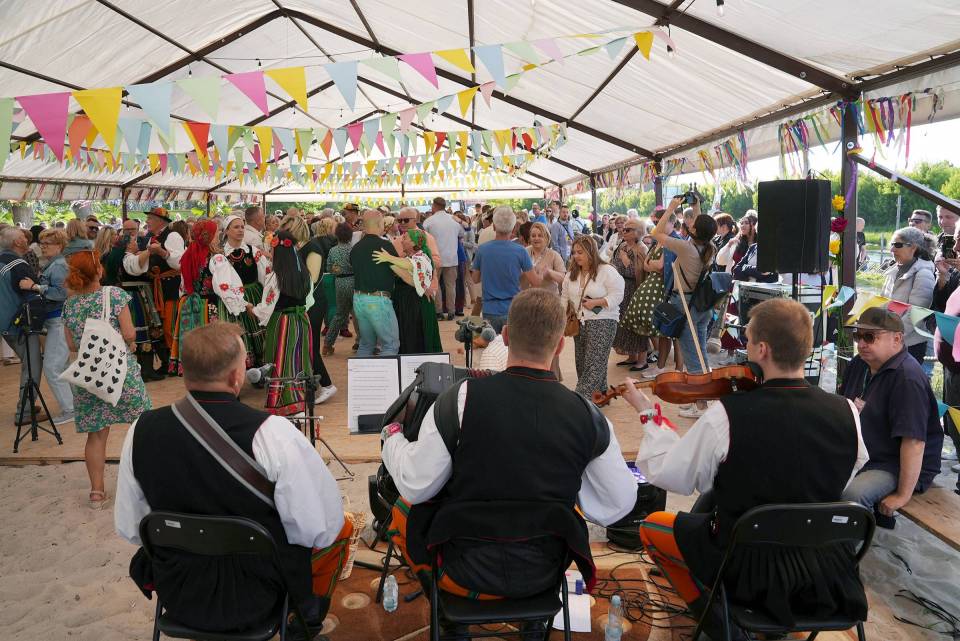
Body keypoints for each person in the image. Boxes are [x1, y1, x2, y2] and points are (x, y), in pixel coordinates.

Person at [381, 289, 636, 633]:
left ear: (504, 336)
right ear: (561, 345)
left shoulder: (459, 399)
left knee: (404, 509)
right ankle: (533, 624)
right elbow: (617, 505)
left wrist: (392, 438)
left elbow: (416, 484)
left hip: (463, 568)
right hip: (544, 572)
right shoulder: (588, 416)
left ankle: (452, 624)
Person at [626, 298, 868, 639]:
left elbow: (671, 474)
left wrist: (648, 415)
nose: (746, 348)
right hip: (824, 568)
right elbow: (851, 467)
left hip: (746, 568)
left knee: (653, 527)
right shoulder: (847, 412)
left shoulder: (729, 414)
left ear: (763, 350)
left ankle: (718, 622)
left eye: (749, 341)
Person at [113, 322, 352, 638]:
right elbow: (319, 528)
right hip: (259, 596)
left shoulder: (140, 431)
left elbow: (131, 528)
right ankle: (303, 620)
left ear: (184, 373)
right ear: (236, 376)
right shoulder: (272, 433)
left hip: (181, 593)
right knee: (342, 528)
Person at [62, 250, 150, 509]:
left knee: (96, 436)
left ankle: (97, 493)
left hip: (90, 376)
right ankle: (147, 483)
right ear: (99, 270)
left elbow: (71, 344)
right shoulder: (114, 295)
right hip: (120, 373)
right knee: (142, 426)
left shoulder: (69, 305)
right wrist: (128, 343)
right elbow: (129, 333)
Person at [840, 307, 943, 521]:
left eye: (870, 337)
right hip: (864, 452)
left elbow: (914, 443)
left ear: (897, 339)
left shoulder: (907, 378)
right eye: (858, 336)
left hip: (894, 463)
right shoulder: (859, 364)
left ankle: (849, 541)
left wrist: (902, 495)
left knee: (852, 496)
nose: (861, 343)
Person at [652, 195, 718, 418]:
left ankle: (700, 406)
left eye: (693, 224)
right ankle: (702, 399)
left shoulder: (686, 248)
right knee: (700, 353)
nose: (690, 224)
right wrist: (696, 205)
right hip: (702, 306)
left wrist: (671, 208)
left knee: (692, 356)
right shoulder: (709, 247)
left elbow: (656, 233)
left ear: (695, 231)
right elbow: (702, 228)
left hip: (686, 305)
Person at [254, 230, 319, 416]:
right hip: (301, 320)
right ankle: (299, 399)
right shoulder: (304, 273)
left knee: (282, 359)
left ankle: (284, 400)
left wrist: (251, 308)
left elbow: (266, 308)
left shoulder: (276, 276)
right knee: (298, 358)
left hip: (282, 322)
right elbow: (309, 301)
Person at [560, 235, 624, 397]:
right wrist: (561, 319)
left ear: (590, 251)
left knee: (594, 363)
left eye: (580, 252)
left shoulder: (606, 270)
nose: (576, 256)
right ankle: (599, 395)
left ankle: (580, 399)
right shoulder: (571, 274)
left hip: (603, 321)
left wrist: (597, 302)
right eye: (574, 252)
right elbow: (564, 298)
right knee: (582, 362)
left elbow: (618, 294)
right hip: (579, 322)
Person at [211, 214, 271, 369]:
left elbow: (265, 276)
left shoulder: (253, 251)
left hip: (254, 295)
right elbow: (223, 285)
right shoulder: (220, 256)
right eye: (236, 227)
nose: (240, 230)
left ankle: (260, 372)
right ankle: (238, 374)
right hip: (232, 300)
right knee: (237, 337)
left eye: (242, 227)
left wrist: (266, 300)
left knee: (259, 335)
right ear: (226, 231)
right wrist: (243, 303)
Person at [471, 206, 542, 334]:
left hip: (489, 309)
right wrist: (543, 272)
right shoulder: (520, 251)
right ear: (514, 228)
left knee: (491, 344)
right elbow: (536, 282)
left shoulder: (482, 250)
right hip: (512, 308)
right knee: (512, 345)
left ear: (494, 226)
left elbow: (475, 279)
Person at [30, 229, 74, 424]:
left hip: (58, 321)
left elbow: (62, 293)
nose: (43, 246)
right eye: (42, 243)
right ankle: (74, 405)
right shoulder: (54, 264)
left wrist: (36, 287)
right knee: (61, 366)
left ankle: (70, 410)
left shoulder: (58, 266)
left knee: (52, 368)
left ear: (60, 245)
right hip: (56, 321)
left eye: (48, 243)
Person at [1, 226, 44, 423]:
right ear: (17, 242)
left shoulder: (3, 260)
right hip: (19, 324)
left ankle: (26, 405)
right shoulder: (18, 265)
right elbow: (33, 293)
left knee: (29, 363)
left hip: (6, 324)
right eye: (23, 237)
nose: (27, 239)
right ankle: (25, 412)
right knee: (32, 365)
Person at [376, 228, 443, 354]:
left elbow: (408, 266)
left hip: (416, 306)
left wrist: (388, 258)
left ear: (413, 242)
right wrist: (390, 262)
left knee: (415, 337)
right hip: (408, 304)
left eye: (405, 238)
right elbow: (403, 270)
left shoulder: (421, 257)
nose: (401, 241)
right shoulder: (413, 257)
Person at [168, 219, 220, 375]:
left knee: (195, 339)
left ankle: (195, 368)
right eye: (216, 233)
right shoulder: (214, 257)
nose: (218, 235)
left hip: (189, 302)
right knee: (211, 340)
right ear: (208, 236)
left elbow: (184, 283)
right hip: (210, 304)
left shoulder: (188, 254)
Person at [293, 216, 336, 403]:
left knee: (311, 346)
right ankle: (312, 382)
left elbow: (312, 279)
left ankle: (327, 385)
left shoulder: (312, 248)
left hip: (313, 303)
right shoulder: (301, 248)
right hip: (306, 302)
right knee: (306, 345)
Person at [881, 226, 935, 366]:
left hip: (908, 345)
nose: (892, 249)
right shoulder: (893, 270)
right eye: (891, 244)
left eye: (898, 245)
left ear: (913, 248)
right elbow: (883, 303)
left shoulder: (923, 274)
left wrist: (893, 337)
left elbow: (916, 314)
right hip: (888, 339)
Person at [350, 210, 401, 357]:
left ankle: (361, 373)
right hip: (378, 300)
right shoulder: (385, 246)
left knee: (366, 344)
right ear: (380, 224)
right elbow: (398, 270)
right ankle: (386, 373)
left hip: (358, 299)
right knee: (390, 345)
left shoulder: (356, 248)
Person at [143, 207, 185, 374]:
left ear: (160, 221)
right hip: (157, 287)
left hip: (170, 287)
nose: (147, 222)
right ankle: (167, 362)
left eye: (150, 219)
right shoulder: (151, 238)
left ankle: (175, 362)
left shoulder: (172, 236)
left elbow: (179, 263)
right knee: (159, 326)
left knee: (170, 326)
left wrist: (162, 252)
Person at [610, 219, 648, 370]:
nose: (623, 231)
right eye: (624, 229)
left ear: (638, 232)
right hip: (622, 289)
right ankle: (632, 356)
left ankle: (642, 360)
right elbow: (615, 263)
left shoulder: (642, 248)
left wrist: (625, 260)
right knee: (625, 324)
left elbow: (637, 272)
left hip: (635, 289)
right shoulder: (623, 246)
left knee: (637, 325)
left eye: (628, 230)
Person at [935, 269, 960, 493]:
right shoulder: (956, 277)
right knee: (953, 421)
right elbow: (939, 305)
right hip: (952, 365)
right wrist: (942, 279)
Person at [422, 197, 464, 321]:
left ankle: (438, 311)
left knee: (436, 285)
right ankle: (451, 311)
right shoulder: (453, 221)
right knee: (451, 286)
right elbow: (461, 234)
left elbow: (423, 238)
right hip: (452, 258)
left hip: (435, 257)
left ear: (434, 206)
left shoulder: (429, 221)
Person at [321, 223, 355, 356]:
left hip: (339, 282)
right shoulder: (353, 249)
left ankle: (327, 344)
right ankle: (362, 342)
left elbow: (329, 268)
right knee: (357, 315)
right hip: (353, 281)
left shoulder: (333, 250)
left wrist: (337, 270)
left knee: (339, 314)